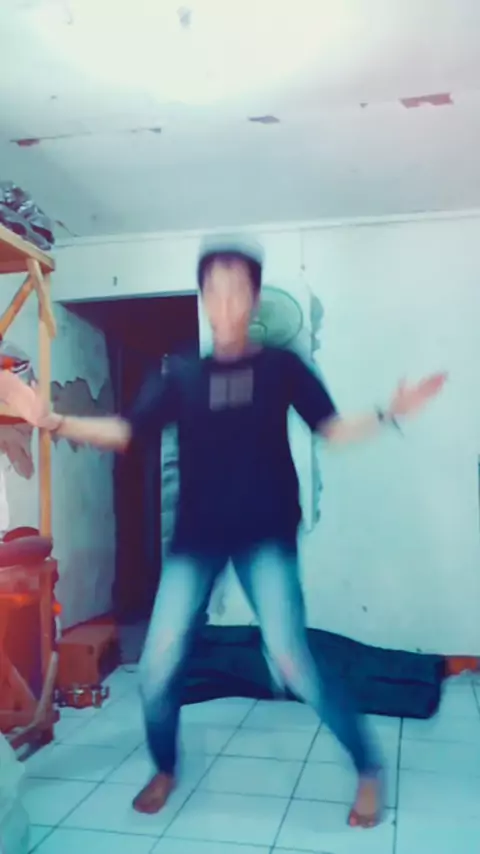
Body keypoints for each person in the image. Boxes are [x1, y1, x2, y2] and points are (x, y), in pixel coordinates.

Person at [0, 240, 446, 828]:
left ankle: (368, 766)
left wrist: (389, 413)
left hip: (266, 538)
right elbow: (128, 432)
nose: (225, 302)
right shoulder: (184, 373)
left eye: (237, 290)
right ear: (205, 298)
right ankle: (165, 766)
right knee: (157, 665)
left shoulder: (282, 367)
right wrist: (53, 420)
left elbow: (332, 430)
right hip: (196, 540)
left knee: (291, 661)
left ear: (255, 299)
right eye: (214, 289)